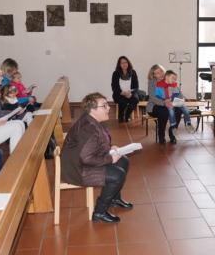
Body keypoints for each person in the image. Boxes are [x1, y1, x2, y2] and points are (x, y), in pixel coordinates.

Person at [61, 93, 133, 223]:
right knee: (117, 175)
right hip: (77, 169)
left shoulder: (92, 120)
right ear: (93, 109)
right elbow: (86, 158)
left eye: (107, 104)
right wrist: (110, 159)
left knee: (123, 160)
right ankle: (99, 212)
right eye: (104, 106)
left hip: (82, 160)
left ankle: (114, 199)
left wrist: (110, 148)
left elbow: (96, 144)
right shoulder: (88, 128)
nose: (109, 108)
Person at [155, 70, 195, 142]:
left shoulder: (174, 85)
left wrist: (182, 98)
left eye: (175, 79)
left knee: (185, 109)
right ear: (167, 77)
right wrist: (165, 100)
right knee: (171, 112)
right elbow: (158, 96)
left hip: (176, 102)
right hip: (167, 103)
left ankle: (188, 123)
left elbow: (179, 94)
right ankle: (173, 126)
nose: (174, 80)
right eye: (173, 78)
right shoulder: (160, 84)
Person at [146, 64, 171, 144]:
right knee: (164, 111)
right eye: (157, 73)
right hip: (153, 106)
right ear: (153, 75)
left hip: (166, 104)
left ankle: (172, 133)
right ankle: (161, 134)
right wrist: (164, 103)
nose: (160, 74)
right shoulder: (152, 82)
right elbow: (153, 98)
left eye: (161, 71)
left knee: (177, 110)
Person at [111, 56, 140, 123]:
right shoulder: (116, 73)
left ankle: (127, 114)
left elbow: (136, 86)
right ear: (119, 65)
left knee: (135, 99)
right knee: (123, 101)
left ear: (128, 63)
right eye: (122, 63)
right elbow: (114, 87)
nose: (124, 64)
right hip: (119, 93)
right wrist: (122, 93)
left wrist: (130, 93)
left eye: (126, 62)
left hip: (130, 93)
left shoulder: (133, 72)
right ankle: (121, 116)